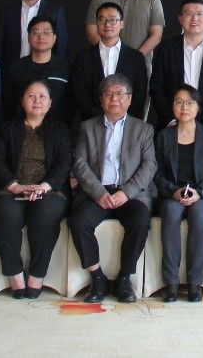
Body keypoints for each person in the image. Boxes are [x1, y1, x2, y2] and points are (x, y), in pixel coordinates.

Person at [69, 74, 157, 303]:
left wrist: (126, 192)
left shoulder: (143, 129)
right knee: (78, 221)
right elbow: (79, 163)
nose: (114, 99)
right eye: (108, 94)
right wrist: (99, 193)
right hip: (96, 193)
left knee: (140, 220)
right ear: (101, 100)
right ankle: (97, 277)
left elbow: (149, 165)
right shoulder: (87, 127)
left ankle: (124, 278)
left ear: (130, 99)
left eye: (119, 94)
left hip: (129, 194)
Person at [0, 80, 73, 299]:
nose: (37, 101)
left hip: (49, 190)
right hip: (13, 189)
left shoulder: (60, 130)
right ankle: (15, 274)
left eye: (42, 96)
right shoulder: (7, 129)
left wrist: (44, 187)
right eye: (31, 96)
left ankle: (37, 274)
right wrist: (15, 186)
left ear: (51, 103)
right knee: (4, 211)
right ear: (22, 101)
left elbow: (64, 164)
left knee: (45, 213)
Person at [153, 85, 203, 303]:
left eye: (190, 102)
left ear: (198, 107)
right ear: (172, 107)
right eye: (179, 102)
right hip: (173, 194)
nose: (184, 107)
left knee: (198, 215)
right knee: (171, 213)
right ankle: (171, 283)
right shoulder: (164, 136)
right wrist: (173, 191)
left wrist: (200, 193)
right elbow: (157, 172)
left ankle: (195, 282)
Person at [150, 0, 203, 130]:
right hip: (172, 126)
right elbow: (156, 88)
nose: (194, 18)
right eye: (189, 14)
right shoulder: (166, 49)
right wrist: (171, 120)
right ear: (180, 19)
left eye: (200, 14)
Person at [69, 3, 147, 122]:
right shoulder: (83, 57)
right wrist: (98, 118)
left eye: (112, 20)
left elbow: (140, 93)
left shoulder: (136, 58)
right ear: (97, 24)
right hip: (92, 123)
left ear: (122, 24)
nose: (107, 24)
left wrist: (122, 118)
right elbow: (79, 92)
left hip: (127, 124)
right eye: (102, 20)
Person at [0, 0, 67, 73]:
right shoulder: (7, 12)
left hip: (45, 72)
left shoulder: (55, 11)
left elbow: (61, 47)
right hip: (13, 71)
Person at [3, 15, 71, 124]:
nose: (41, 37)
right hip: (21, 129)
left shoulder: (66, 68)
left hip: (59, 130)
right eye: (36, 32)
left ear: (54, 38)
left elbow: (72, 104)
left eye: (46, 32)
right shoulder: (16, 68)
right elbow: (7, 103)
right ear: (28, 38)